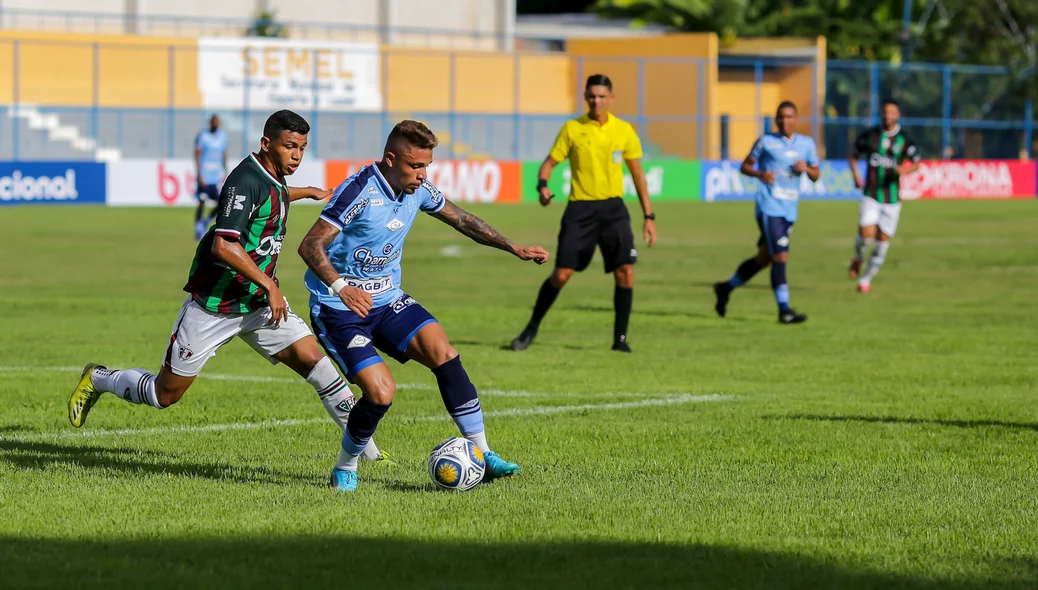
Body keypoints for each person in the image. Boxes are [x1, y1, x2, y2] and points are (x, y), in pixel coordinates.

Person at [68, 110, 385, 462]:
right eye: (289, 146)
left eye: (302, 148)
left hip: (258, 305)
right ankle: (99, 378)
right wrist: (269, 284)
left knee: (319, 366)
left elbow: (272, 194)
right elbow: (224, 244)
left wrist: (305, 192)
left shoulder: (274, 175)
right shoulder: (244, 179)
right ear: (266, 144)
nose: (296, 155)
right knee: (164, 395)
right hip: (215, 306)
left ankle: (369, 455)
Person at [297, 119, 549, 492]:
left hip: (388, 301)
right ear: (390, 159)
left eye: (426, 165)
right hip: (339, 309)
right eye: (416, 166)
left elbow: (462, 219)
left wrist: (513, 247)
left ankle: (483, 454)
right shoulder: (359, 191)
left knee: (444, 353)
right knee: (381, 393)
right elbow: (310, 244)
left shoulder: (417, 190)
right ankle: (346, 467)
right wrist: (341, 286)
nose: (422, 174)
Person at [510, 74, 656, 353]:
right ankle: (531, 328)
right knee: (561, 274)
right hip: (580, 211)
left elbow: (638, 175)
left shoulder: (624, 130)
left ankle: (620, 340)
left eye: (602, 96)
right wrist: (542, 187)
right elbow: (549, 163)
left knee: (625, 272)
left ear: (611, 98)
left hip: (614, 209)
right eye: (592, 96)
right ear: (585, 97)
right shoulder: (572, 129)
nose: (596, 101)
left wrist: (649, 216)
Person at [713, 101, 820, 324]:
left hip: (789, 209)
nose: (784, 121)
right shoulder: (766, 142)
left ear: (796, 119)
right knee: (781, 255)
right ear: (776, 120)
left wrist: (807, 169)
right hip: (769, 206)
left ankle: (725, 288)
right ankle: (784, 310)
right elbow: (745, 166)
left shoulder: (807, 145)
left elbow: (816, 174)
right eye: (780, 117)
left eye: (789, 117)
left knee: (765, 259)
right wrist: (760, 174)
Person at [848, 99, 921, 293]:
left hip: (892, 199)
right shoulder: (871, 135)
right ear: (881, 113)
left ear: (898, 115)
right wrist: (855, 176)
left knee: (881, 244)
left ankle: (866, 280)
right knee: (866, 235)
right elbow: (853, 155)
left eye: (892, 112)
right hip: (870, 193)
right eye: (885, 112)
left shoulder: (904, 139)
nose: (888, 115)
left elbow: (916, 163)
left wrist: (905, 171)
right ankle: (857, 257)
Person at [195, 114, 229, 240]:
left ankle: (206, 220)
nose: (216, 124)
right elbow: (197, 154)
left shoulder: (223, 137)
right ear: (210, 123)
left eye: (217, 122)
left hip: (216, 177)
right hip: (205, 176)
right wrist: (199, 174)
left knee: (221, 203)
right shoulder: (203, 136)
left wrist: (225, 171)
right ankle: (198, 227)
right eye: (214, 122)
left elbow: (224, 154)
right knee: (202, 202)